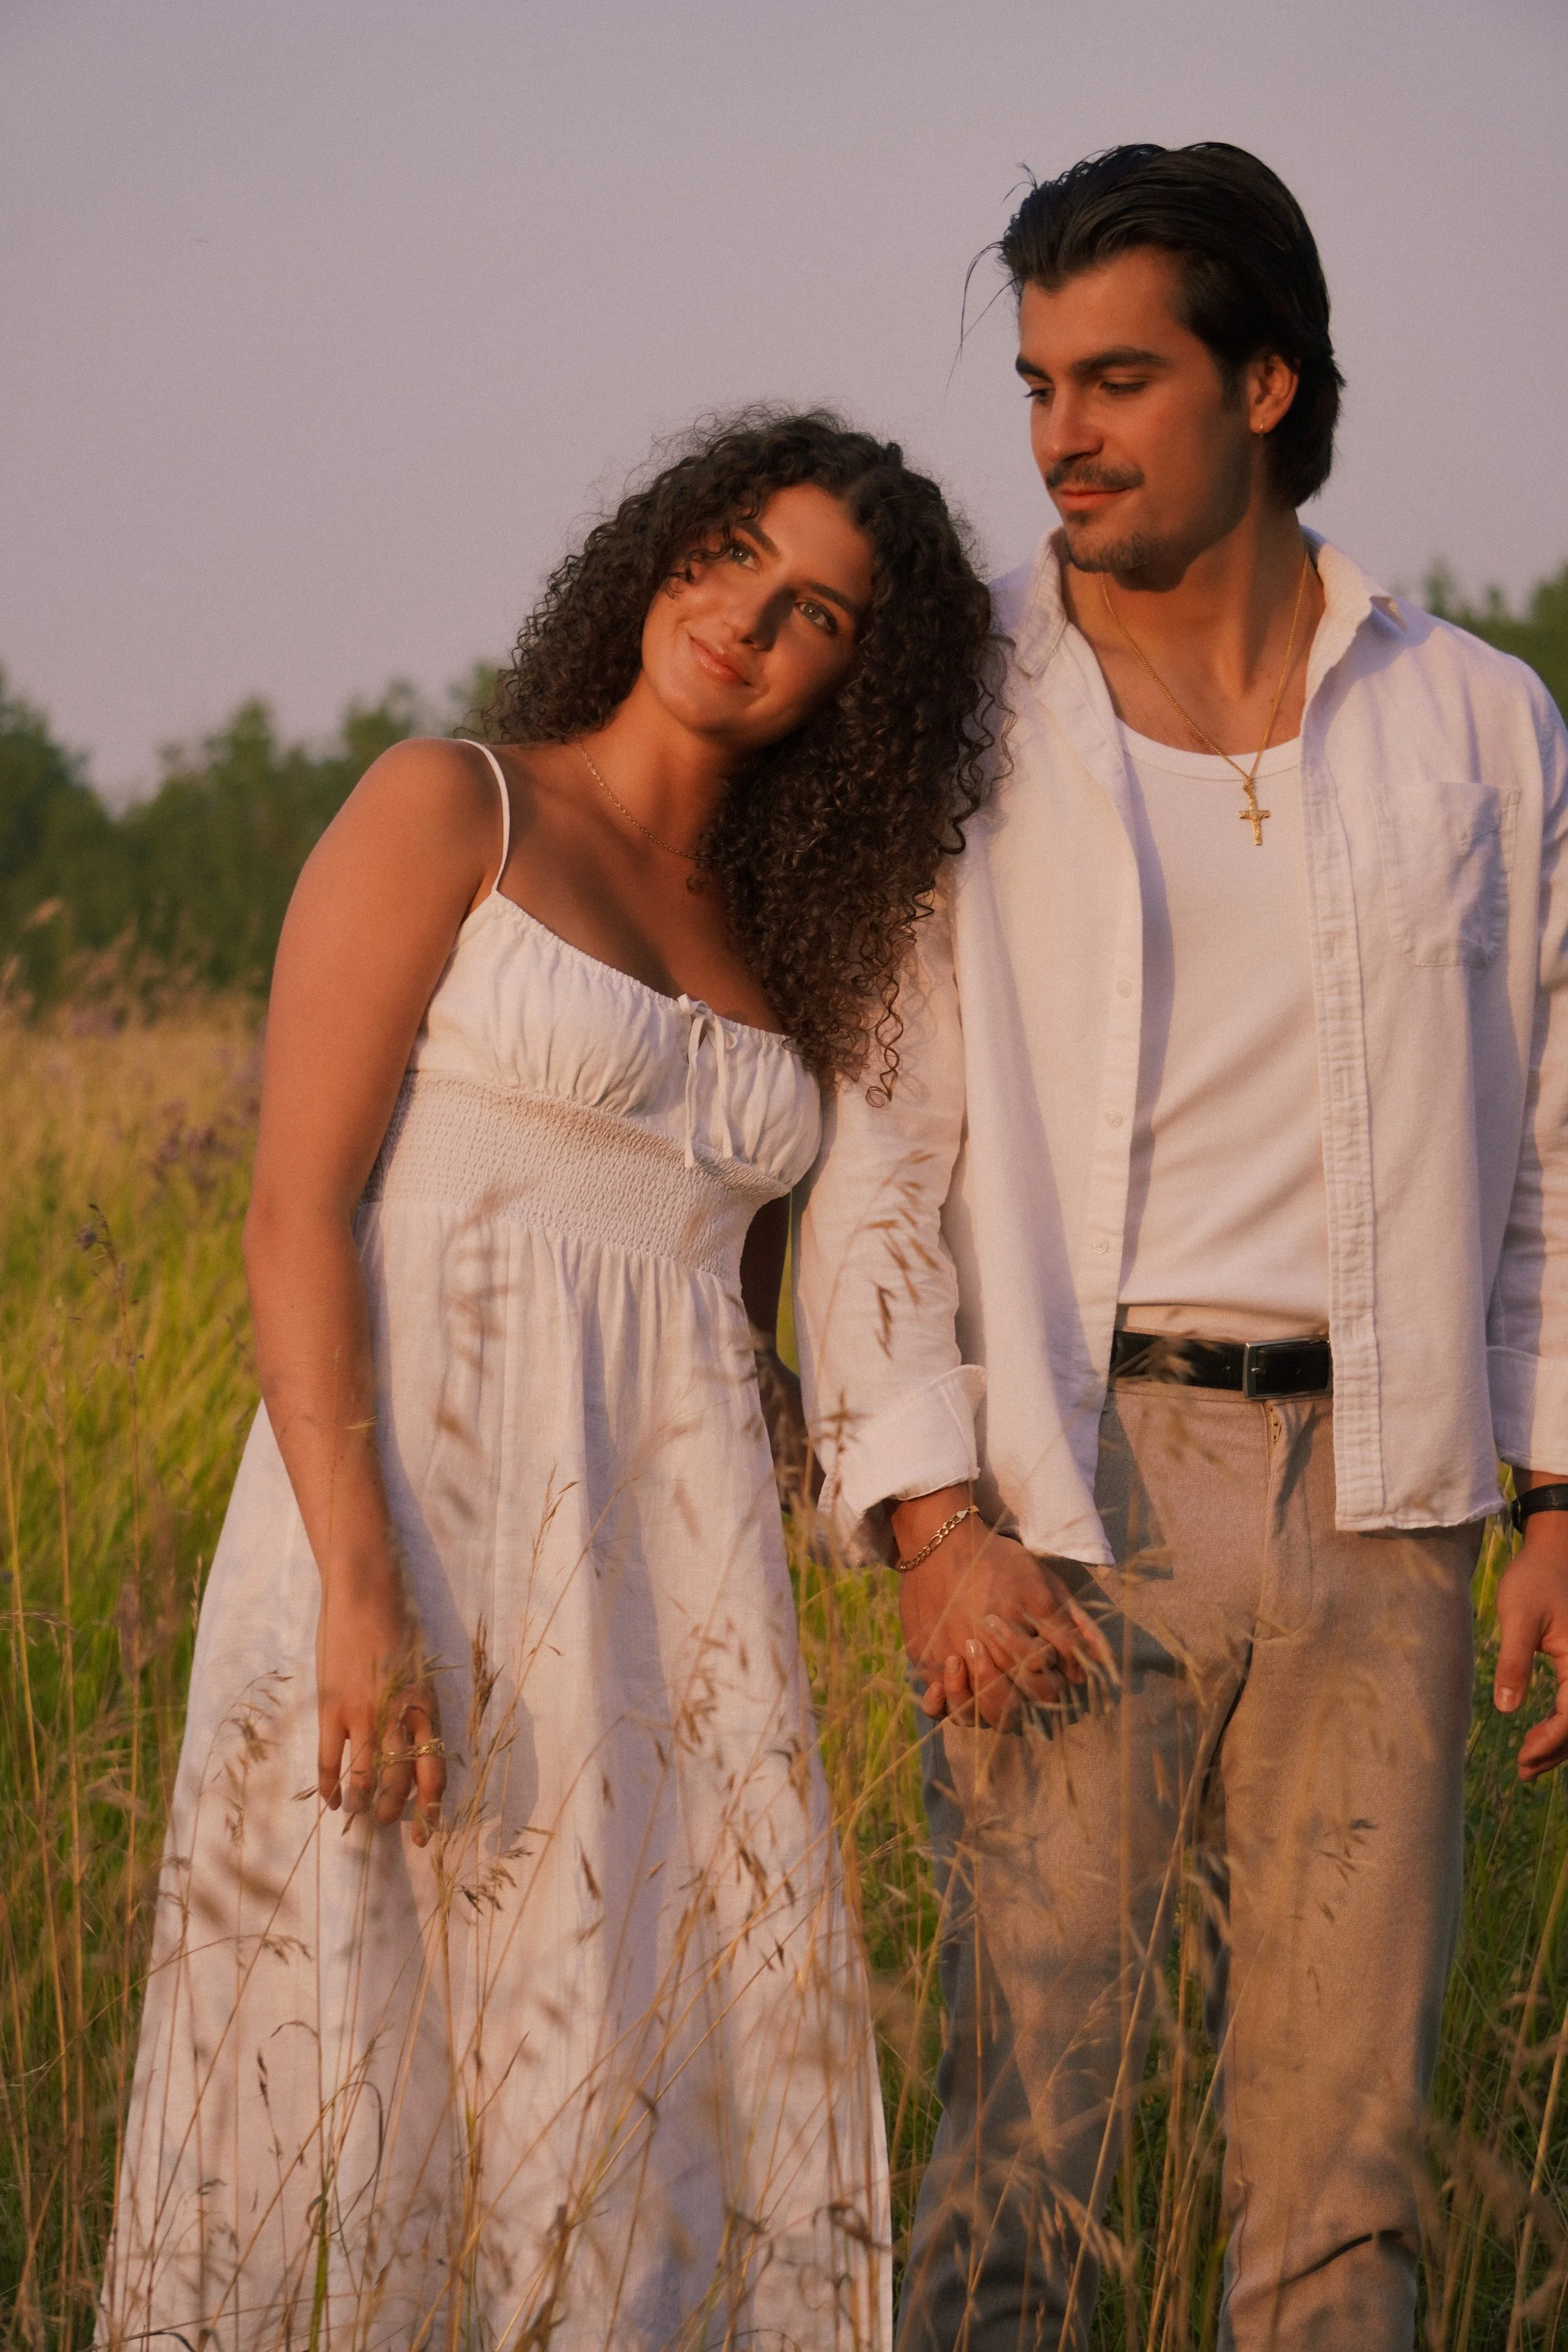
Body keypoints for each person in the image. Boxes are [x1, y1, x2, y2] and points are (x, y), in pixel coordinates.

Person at [103, 410, 995, 2351]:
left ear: (862, 677)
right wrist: (356, 1582)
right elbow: (292, 1212)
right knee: (355, 2063)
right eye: (731, 551)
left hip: (659, 1596)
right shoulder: (456, 806)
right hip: (400, 1522)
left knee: (635, 2070)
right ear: (664, 544)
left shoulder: (792, 941)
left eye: (815, 610)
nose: (745, 618)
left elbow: (729, 1315)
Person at [796, 144, 1568, 2350]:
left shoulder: (1478, 722)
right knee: (1020, 2160)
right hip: (1069, 1490)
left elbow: (1549, 1147)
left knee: (1341, 2194)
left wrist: (1553, 1491)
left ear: (1264, 384)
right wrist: (933, 1521)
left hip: (1388, 1498)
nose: (1061, 432)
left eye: (1116, 376)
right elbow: (874, 1149)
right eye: (1039, 381)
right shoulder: (958, 720)